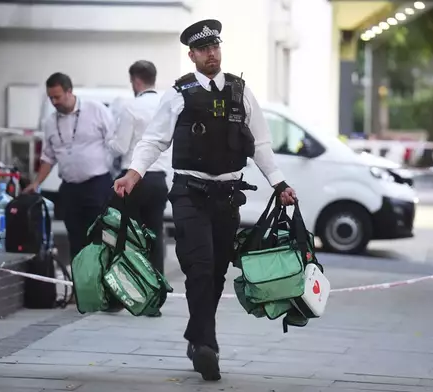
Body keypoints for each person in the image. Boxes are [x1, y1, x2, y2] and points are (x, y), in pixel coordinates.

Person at [113, 19, 297, 381]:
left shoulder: (240, 92)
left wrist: (279, 183)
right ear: (192, 55)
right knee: (198, 268)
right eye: (204, 49)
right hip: (189, 193)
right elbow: (153, 141)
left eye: (215, 47)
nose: (211, 54)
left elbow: (260, 143)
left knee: (215, 275)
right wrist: (133, 174)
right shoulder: (178, 94)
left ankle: (196, 336)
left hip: (227, 197)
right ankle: (207, 346)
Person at [23, 72, 117, 261]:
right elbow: (48, 157)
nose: (54, 102)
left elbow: (115, 144)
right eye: (50, 98)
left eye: (57, 97)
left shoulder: (96, 110)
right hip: (70, 189)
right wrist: (36, 183)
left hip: (97, 185)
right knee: (75, 240)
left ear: (69, 91)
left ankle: (102, 285)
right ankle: (79, 288)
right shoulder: (50, 122)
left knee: (100, 239)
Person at [107, 60, 171, 317]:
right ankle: (154, 301)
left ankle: (122, 296)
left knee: (126, 237)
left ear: (136, 81)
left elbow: (120, 147)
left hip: (131, 180)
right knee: (154, 237)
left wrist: (109, 141)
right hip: (159, 180)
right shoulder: (167, 106)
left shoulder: (131, 107)